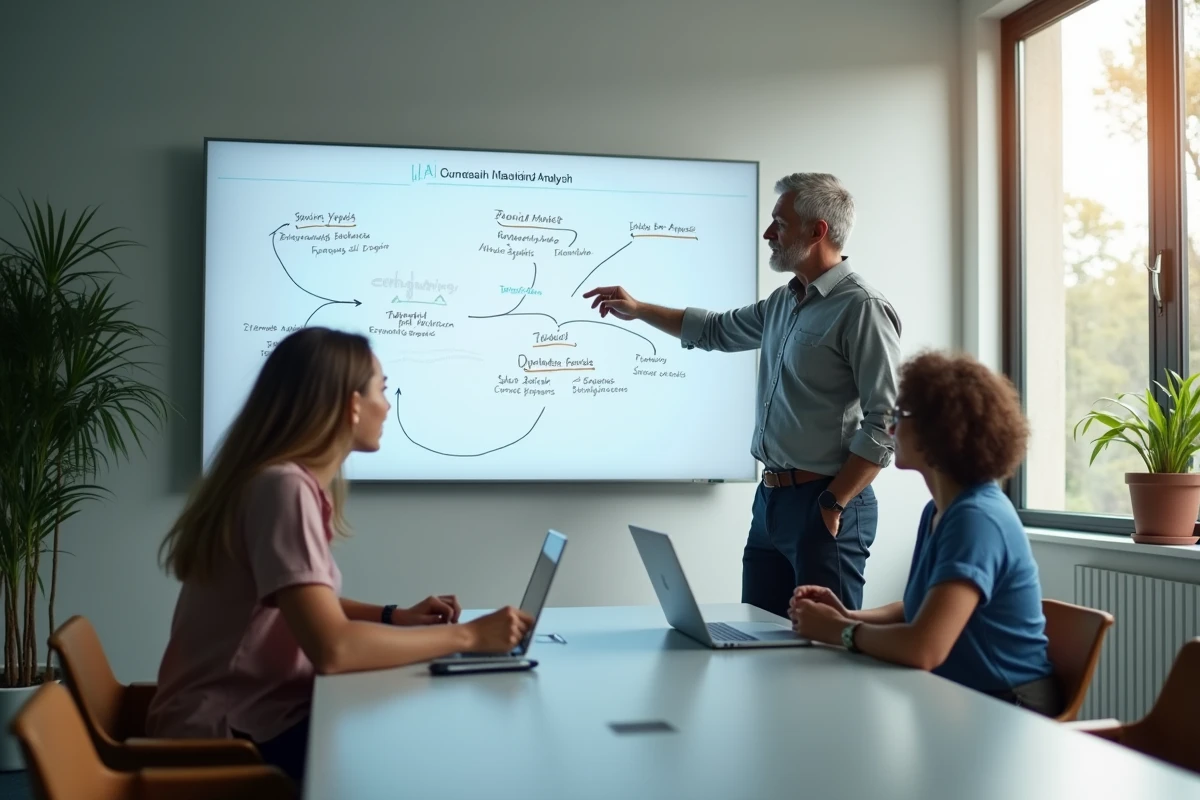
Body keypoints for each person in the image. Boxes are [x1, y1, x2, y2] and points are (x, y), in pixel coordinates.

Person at [147, 327, 533, 786]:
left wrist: (393, 616)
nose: (387, 406)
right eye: (382, 390)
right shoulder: (283, 489)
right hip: (227, 741)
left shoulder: (276, 481)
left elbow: (293, 602)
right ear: (352, 405)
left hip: (245, 718)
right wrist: (469, 637)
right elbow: (333, 649)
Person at [583, 173, 901, 616]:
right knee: (758, 639)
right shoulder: (782, 302)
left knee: (826, 653)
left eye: (779, 223)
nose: (769, 234)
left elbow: (886, 421)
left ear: (818, 231)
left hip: (827, 503)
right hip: (771, 503)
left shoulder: (861, 307)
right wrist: (638, 310)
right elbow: (714, 329)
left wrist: (832, 503)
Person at [789, 351, 1063, 717]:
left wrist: (839, 632)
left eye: (900, 417)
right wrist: (847, 617)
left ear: (941, 428)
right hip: (965, 696)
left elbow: (924, 647)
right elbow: (922, 608)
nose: (890, 429)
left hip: (1009, 708)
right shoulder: (939, 511)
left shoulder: (977, 519)